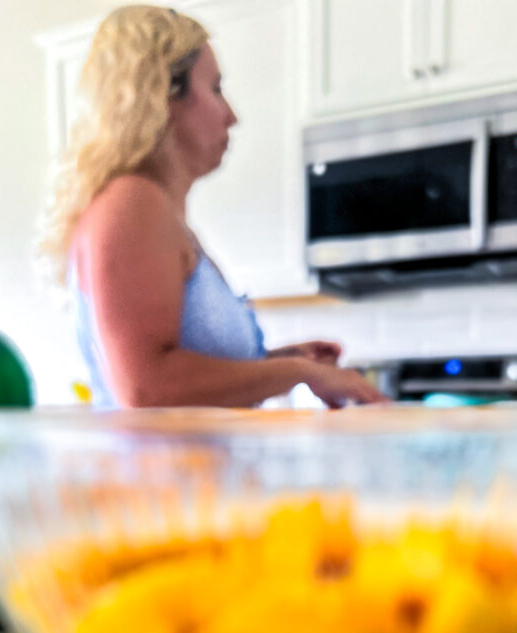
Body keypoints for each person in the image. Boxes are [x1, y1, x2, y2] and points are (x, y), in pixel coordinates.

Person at [41, 4, 387, 410]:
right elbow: (145, 388)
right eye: (216, 89)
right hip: (155, 476)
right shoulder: (131, 205)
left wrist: (285, 362)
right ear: (163, 97)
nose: (232, 116)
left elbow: (188, 388)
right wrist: (299, 373)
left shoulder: (155, 210)